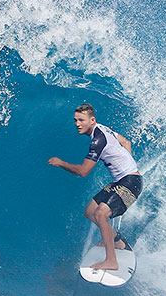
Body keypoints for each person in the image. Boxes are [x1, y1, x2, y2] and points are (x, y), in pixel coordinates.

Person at [47, 103, 143, 271]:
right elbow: (126, 142)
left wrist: (61, 163)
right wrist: (127, 162)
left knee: (100, 214)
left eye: (81, 120)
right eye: (75, 120)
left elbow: (83, 171)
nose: (77, 123)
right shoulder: (102, 128)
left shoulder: (98, 141)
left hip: (131, 183)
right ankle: (118, 242)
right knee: (90, 211)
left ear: (92, 120)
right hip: (122, 181)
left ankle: (111, 261)